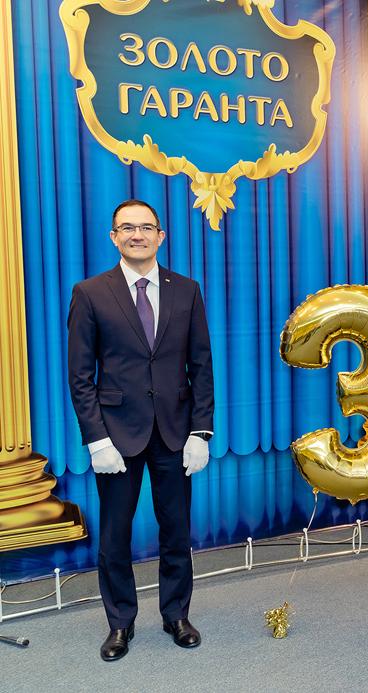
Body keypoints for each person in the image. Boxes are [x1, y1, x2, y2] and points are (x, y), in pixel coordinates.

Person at [67, 199, 214, 661]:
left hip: (175, 433)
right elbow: (80, 376)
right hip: (116, 436)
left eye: (146, 227)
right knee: (115, 536)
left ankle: (176, 615)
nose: (137, 235)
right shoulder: (90, 292)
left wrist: (201, 432)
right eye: (127, 228)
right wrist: (97, 440)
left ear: (160, 236)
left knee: (177, 531)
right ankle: (120, 623)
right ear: (114, 237)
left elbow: (201, 366)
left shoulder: (186, 290)